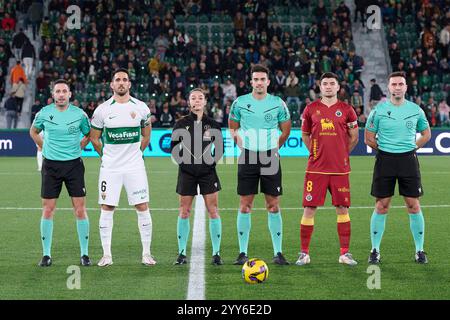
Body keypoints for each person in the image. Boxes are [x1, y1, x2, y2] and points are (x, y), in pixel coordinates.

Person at [89, 68, 155, 267]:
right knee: (107, 208)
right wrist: (106, 157)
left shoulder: (141, 107)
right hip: (110, 169)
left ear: (130, 84)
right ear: (111, 84)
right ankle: (106, 255)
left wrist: (136, 154)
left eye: (124, 80)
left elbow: (146, 136)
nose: (121, 83)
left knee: (142, 207)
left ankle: (146, 254)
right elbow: (94, 138)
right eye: (117, 79)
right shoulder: (102, 110)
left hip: (135, 167)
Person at [365, 71, 431, 264]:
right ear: (389, 87)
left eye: (400, 84)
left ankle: (420, 250)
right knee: (381, 205)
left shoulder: (416, 110)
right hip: (385, 161)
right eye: (394, 84)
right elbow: (368, 138)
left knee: (413, 205)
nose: (397, 87)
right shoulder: (378, 110)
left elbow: (426, 134)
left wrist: (411, 148)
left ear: (405, 87)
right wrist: (386, 150)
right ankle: (375, 250)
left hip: (408, 161)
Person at [229, 64, 292, 265]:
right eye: (255, 79)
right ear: (251, 82)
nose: (259, 83)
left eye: (262, 79)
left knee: (273, 205)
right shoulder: (239, 103)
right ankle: (242, 252)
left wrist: (274, 147)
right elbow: (233, 127)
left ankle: (278, 252)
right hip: (247, 157)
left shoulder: (278, 103)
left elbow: (286, 130)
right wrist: (242, 144)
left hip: (270, 157)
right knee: (245, 205)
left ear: (268, 82)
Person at [296, 72, 359, 266]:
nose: (329, 86)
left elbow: (354, 137)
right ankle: (304, 253)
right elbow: (305, 134)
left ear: (338, 87)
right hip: (316, 169)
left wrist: (341, 154)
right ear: (320, 87)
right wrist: (315, 152)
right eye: (325, 84)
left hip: (340, 169)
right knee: (309, 208)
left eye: (332, 83)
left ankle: (344, 253)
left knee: (342, 208)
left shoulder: (347, 109)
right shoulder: (310, 109)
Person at [29, 79, 91, 267]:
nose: (61, 94)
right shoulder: (44, 113)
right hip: (51, 167)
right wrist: (43, 146)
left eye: (65, 91)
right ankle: (46, 254)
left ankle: (85, 254)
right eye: (58, 91)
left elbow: (89, 134)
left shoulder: (79, 114)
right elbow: (33, 131)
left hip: (73, 166)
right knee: (48, 210)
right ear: (53, 94)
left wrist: (81, 145)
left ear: (70, 94)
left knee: (80, 210)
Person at [171, 88, 224, 265]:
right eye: (193, 98)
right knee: (184, 211)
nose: (197, 100)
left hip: (208, 173)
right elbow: (173, 148)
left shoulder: (214, 124)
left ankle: (216, 253)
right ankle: (181, 253)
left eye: (200, 97)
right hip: (186, 174)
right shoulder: (180, 124)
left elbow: (220, 149)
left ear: (205, 102)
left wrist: (211, 164)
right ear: (189, 102)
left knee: (213, 210)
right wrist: (184, 165)